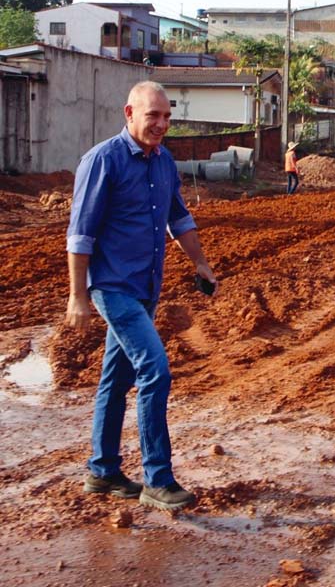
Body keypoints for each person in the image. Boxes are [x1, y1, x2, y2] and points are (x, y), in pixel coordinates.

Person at [66, 81, 218, 511]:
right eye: (153, 115)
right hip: (112, 288)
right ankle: (158, 479)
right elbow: (80, 235)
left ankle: (103, 472)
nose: (161, 124)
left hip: (146, 286)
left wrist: (200, 263)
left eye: (167, 117)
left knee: (116, 379)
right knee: (156, 370)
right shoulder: (103, 161)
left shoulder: (163, 161)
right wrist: (78, 296)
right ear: (129, 113)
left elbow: (178, 217)